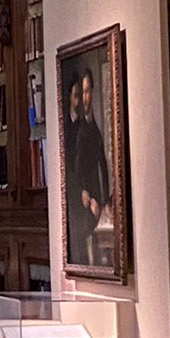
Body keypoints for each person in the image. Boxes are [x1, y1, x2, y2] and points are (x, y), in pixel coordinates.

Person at [69, 64, 111, 264]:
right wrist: (89, 197)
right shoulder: (78, 130)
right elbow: (76, 169)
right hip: (86, 203)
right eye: (81, 93)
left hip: (98, 201)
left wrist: (105, 201)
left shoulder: (94, 127)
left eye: (87, 92)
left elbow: (102, 166)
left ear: (92, 93)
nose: (84, 98)